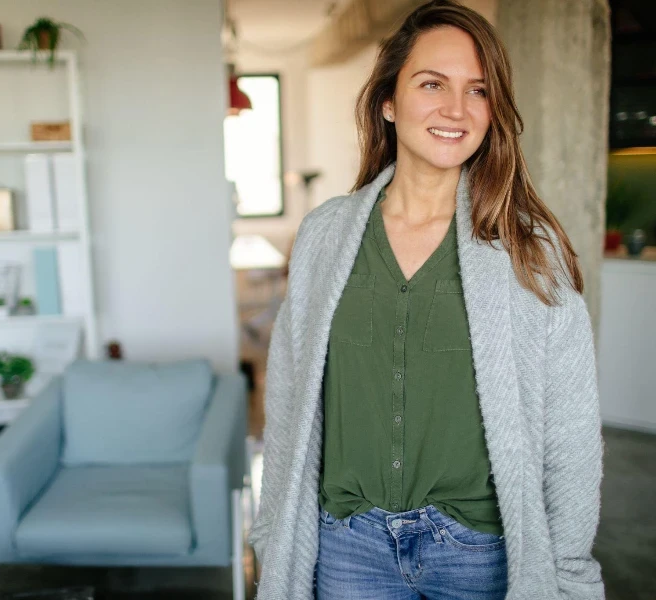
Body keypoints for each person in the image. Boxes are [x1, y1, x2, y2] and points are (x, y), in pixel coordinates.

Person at [248, 1, 605, 599]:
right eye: (432, 83)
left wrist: (567, 569)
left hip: (479, 551)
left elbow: (570, 429)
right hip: (349, 545)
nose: (456, 109)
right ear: (388, 100)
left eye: (478, 91)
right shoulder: (326, 236)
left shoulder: (525, 246)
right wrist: (272, 538)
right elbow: (287, 404)